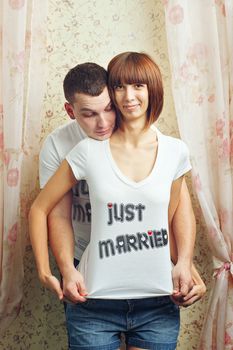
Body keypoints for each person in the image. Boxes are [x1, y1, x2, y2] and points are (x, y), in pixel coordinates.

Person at [29, 53, 205, 349]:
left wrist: (186, 265)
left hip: (152, 289)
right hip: (88, 268)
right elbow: (51, 212)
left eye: (108, 108)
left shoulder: (168, 148)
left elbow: (166, 216)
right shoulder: (70, 148)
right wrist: (54, 270)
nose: (102, 122)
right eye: (89, 114)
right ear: (71, 112)